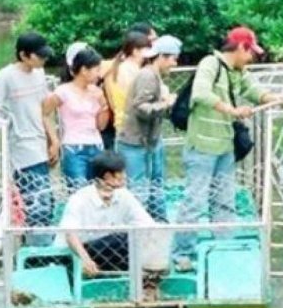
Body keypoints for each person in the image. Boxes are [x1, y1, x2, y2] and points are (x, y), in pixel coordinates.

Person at [173, 26, 283, 270]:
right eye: (250, 51)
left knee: (224, 199)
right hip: (202, 146)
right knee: (195, 201)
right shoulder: (210, 64)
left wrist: (274, 99)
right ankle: (182, 253)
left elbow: (254, 91)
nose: (252, 57)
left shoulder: (238, 71)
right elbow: (201, 93)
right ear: (241, 47)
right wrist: (233, 111)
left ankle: (223, 247)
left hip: (225, 147)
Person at [0, 32, 60, 230]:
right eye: (39, 56)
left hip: (41, 143)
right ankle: (37, 245)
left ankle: (40, 239)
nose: (44, 59)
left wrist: (54, 141)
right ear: (24, 55)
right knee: (36, 199)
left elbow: (44, 110)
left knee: (46, 198)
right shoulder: (6, 76)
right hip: (23, 146)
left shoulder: (39, 73)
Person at [55, 151, 166, 282]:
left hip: (107, 248)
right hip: (76, 250)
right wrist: (85, 260)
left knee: (141, 237)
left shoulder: (123, 195)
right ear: (108, 176)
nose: (125, 176)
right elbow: (70, 235)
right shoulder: (79, 198)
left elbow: (147, 224)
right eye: (121, 173)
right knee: (123, 239)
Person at [117, 35, 181, 221]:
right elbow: (141, 108)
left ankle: (158, 224)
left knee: (156, 186)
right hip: (134, 144)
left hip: (151, 142)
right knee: (138, 191)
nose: (175, 64)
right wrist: (166, 103)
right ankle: (138, 231)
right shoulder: (147, 75)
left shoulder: (155, 76)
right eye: (173, 59)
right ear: (161, 57)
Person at [43, 44, 108, 194]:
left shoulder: (96, 92)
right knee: (79, 192)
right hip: (73, 148)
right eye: (96, 70)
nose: (99, 74)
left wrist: (103, 106)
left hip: (96, 146)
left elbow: (101, 126)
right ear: (84, 70)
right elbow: (45, 113)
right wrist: (54, 140)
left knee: (98, 192)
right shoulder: (63, 91)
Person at [101, 28, 153, 151]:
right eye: (147, 49)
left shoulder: (116, 68)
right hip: (133, 128)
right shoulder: (130, 71)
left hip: (122, 125)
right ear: (135, 51)